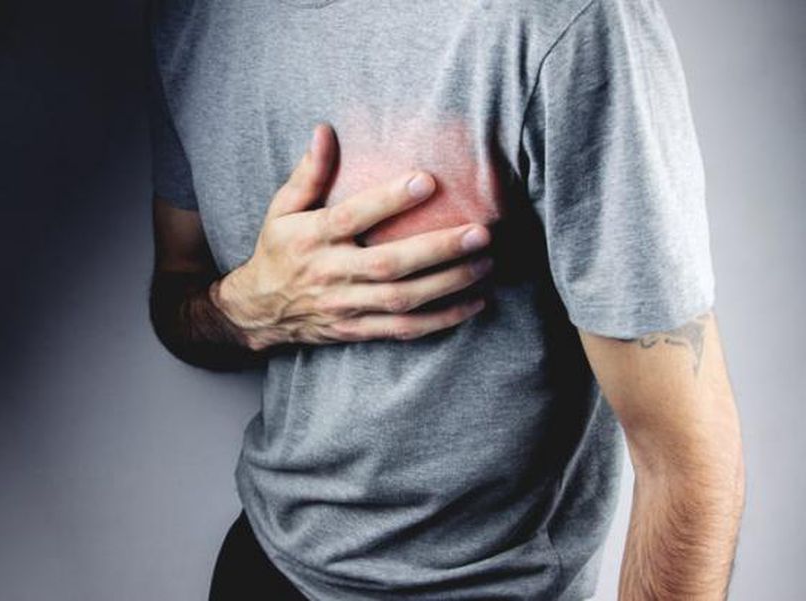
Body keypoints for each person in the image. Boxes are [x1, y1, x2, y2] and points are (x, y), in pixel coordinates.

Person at [145, 0, 746, 598]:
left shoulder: (561, 18)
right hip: (266, 561)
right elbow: (177, 289)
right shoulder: (190, 18)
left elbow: (685, 460)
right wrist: (244, 312)